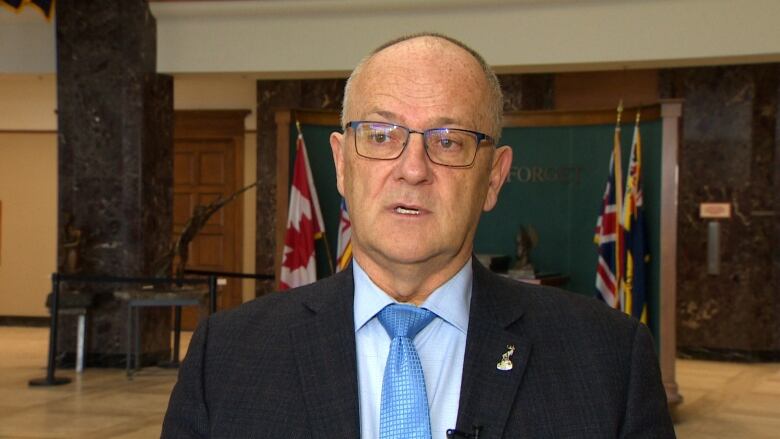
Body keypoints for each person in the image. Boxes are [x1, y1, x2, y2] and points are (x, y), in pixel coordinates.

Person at [162, 33, 675, 439]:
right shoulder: (226, 356)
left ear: (493, 177)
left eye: (448, 141)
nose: (412, 169)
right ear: (342, 165)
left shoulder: (609, 360)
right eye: (381, 136)